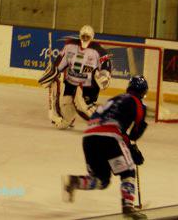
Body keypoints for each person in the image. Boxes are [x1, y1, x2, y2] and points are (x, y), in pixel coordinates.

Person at [62, 75, 148, 218]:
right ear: (143, 92)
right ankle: (128, 206)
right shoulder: (138, 103)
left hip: (88, 137)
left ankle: (75, 181)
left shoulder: (113, 100)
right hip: (109, 138)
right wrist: (132, 147)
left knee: (102, 180)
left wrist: (128, 145)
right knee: (128, 171)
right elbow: (134, 134)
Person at [38, 25, 112, 129]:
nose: (85, 38)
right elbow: (59, 64)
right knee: (65, 111)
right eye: (83, 36)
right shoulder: (70, 46)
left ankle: (104, 122)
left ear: (92, 37)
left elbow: (106, 66)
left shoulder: (98, 50)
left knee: (82, 106)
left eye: (88, 36)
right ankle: (70, 119)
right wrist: (53, 72)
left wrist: (105, 75)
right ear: (80, 35)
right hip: (70, 83)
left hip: (88, 86)